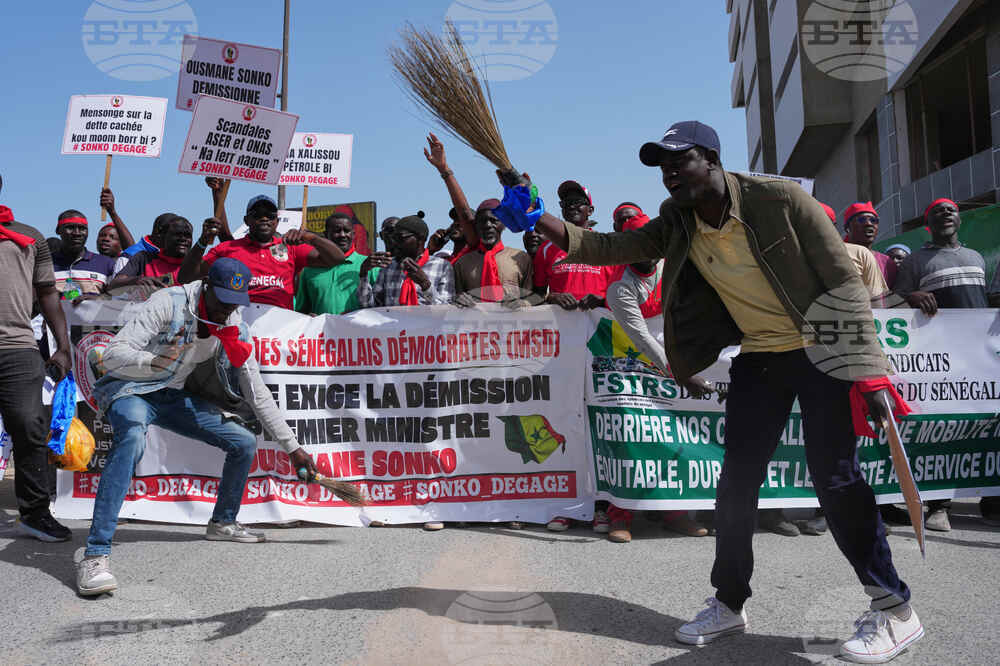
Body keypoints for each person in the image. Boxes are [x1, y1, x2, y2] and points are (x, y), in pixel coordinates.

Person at [499, 120, 920, 662]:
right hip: (761, 358)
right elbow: (605, 245)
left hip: (822, 352)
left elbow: (843, 280)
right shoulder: (677, 219)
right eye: (662, 165)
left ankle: (894, 610)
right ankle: (729, 602)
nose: (671, 172)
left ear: (713, 160)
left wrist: (869, 369)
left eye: (682, 160)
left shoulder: (780, 198)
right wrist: (537, 216)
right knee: (735, 485)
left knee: (835, 480)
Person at [76, 258, 318, 596]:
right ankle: (95, 554)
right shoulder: (169, 303)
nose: (226, 312)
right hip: (131, 388)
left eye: (235, 304)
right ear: (205, 287)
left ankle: (223, 522)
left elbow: (256, 391)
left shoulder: (234, 326)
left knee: (243, 442)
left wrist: (293, 447)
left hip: (172, 396)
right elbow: (113, 353)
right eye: (221, 301)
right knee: (131, 439)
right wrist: (153, 361)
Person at [603, 204, 710, 543]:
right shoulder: (620, 286)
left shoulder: (671, 264)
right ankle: (619, 515)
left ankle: (675, 513)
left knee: (673, 435)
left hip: (674, 361)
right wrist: (681, 372)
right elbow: (643, 338)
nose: (647, 253)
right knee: (630, 435)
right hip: (629, 365)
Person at [893, 198, 989, 532]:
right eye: (937, 211)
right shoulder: (916, 262)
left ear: (959, 220)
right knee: (944, 428)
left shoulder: (976, 258)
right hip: (940, 362)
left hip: (979, 360)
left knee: (985, 424)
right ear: (926, 224)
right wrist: (912, 297)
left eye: (951, 210)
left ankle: (990, 499)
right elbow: (894, 299)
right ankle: (939, 506)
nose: (946, 214)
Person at [0, 191, 74, 542]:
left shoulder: (30, 237)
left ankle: (34, 513)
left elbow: (47, 293)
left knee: (30, 424)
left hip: (16, 345)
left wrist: (63, 345)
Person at [178, 195, 344, 309]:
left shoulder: (290, 248)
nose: (264, 218)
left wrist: (309, 237)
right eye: (257, 214)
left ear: (277, 221)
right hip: (239, 330)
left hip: (279, 334)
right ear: (246, 220)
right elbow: (186, 278)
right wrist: (202, 241)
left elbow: (336, 259)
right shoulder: (227, 249)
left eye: (269, 215)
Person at [357, 214, 455, 309]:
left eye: (400, 238)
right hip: (393, 325)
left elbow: (446, 311)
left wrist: (425, 284)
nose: (395, 242)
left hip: (426, 325)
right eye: (394, 237)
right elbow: (369, 307)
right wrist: (363, 273)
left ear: (420, 239)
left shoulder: (442, 266)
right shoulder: (388, 266)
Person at [295, 212, 369, 315]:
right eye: (337, 231)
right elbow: (301, 311)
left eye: (347, 231)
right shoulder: (308, 270)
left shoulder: (369, 265)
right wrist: (308, 317)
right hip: (321, 330)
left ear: (353, 234)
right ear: (325, 235)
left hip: (358, 330)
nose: (343, 235)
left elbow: (379, 308)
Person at [108, 215, 194, 295]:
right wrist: (135, 281)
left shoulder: (196, 266)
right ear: (164, 236)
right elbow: (113, 286)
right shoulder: (143, 258)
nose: (183, 239)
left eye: (187, 235)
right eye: (177, 234)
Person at [51, 210, 116, 303]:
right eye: (70, 228)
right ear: (58, 230)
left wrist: (98, 298)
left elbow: (119, 298)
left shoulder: (106, 264)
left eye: (82, 228)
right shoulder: (45, 263)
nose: (77, 233)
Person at [843, 202, 897, 289]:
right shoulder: (839, 255)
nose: (869, 223)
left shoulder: (887, 262)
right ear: (847, 228)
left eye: (873, 220)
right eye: (861, 220)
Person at [97, 188, 136, 261]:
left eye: (112, 237)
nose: (106, 239)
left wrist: (112, 211)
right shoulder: (89, 262)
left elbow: (132, 249)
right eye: (102, 236)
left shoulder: (124, 264)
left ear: (121, 245)